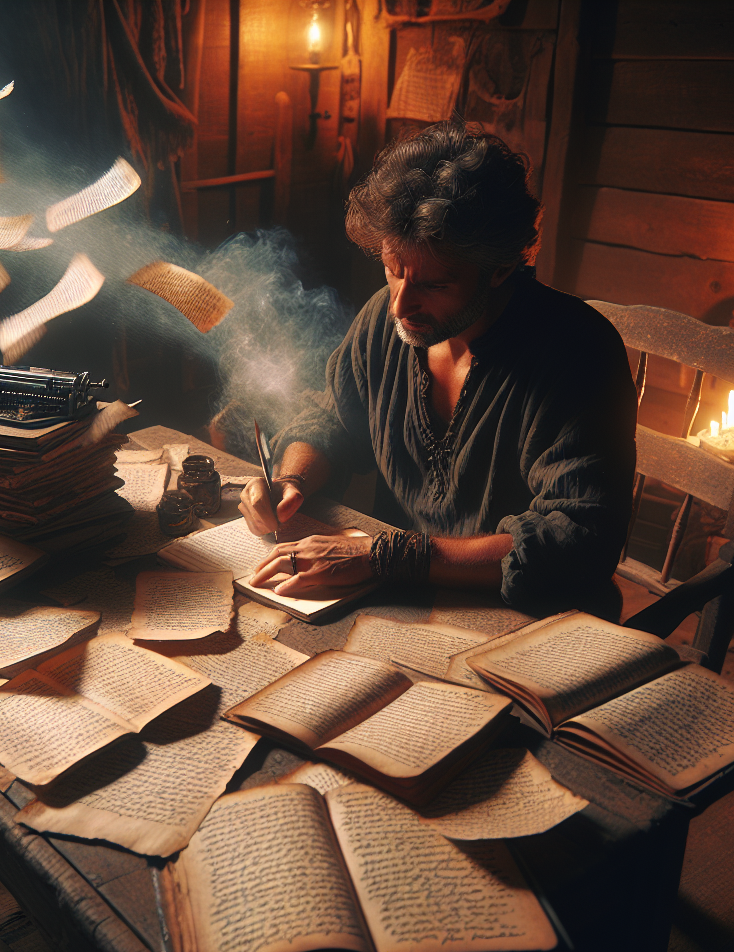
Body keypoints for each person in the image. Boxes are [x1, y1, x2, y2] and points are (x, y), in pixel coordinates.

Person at [238, 121, 637, 620]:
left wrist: (390, 555)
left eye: (434, 285)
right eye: (393, 269)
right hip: (398, 600)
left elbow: (578, 540)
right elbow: (331, 418)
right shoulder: (384, 323)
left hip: (532, 620)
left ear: (500, 269)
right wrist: (292, 480)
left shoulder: (577, 352)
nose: (402, 304)